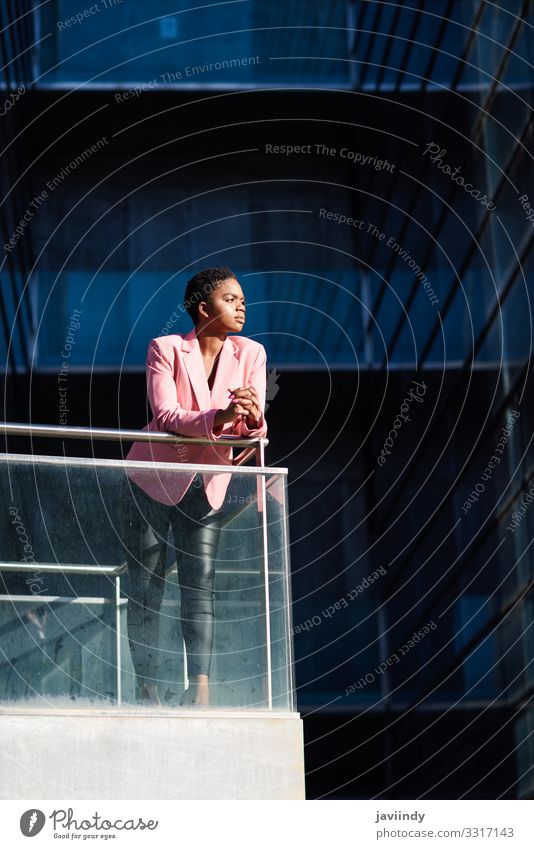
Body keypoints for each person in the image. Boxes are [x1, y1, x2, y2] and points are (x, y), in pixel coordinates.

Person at [122, 267, 267, 707]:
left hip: (208, 486)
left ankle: (199, 687)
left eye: (242, 299)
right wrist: (221, 418)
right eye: (231, 299)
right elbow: (166, 416)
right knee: (146, 587)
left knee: (199, 585)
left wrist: (253, 416)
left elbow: (253, 427)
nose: (242, 305)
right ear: (204, 308)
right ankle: (146, 686)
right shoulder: (165, 348)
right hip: (151, 480)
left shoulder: (251, 353)